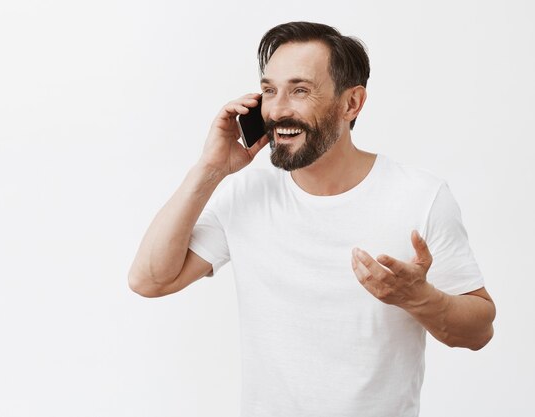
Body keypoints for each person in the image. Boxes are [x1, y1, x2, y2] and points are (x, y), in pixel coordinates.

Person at [128, 21, 496, 417]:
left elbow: (479, 332)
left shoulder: (420, 197)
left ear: (351, 104)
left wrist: (421, 298)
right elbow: (150, 279)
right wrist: (210, 169)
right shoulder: (247, 194)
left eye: (300, 90)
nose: (277, 109)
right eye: (269, 90)